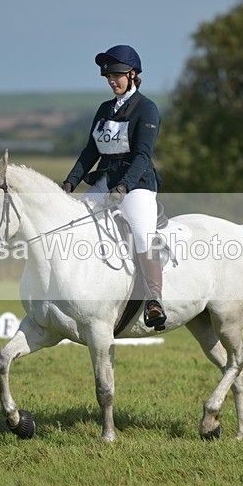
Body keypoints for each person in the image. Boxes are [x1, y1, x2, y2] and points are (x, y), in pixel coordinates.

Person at [61, 44, 166, 329]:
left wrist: (123, 187)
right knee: (71, 223)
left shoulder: (147, 108)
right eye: (108, 77)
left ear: (133, 74)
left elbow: (142, 156)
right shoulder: (105, 109)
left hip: (137, 184)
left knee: (144, 236)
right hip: (105, 181)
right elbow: (90, 151)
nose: (112, 81)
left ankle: (155, 300)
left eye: (117, 75)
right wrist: (70, 181)